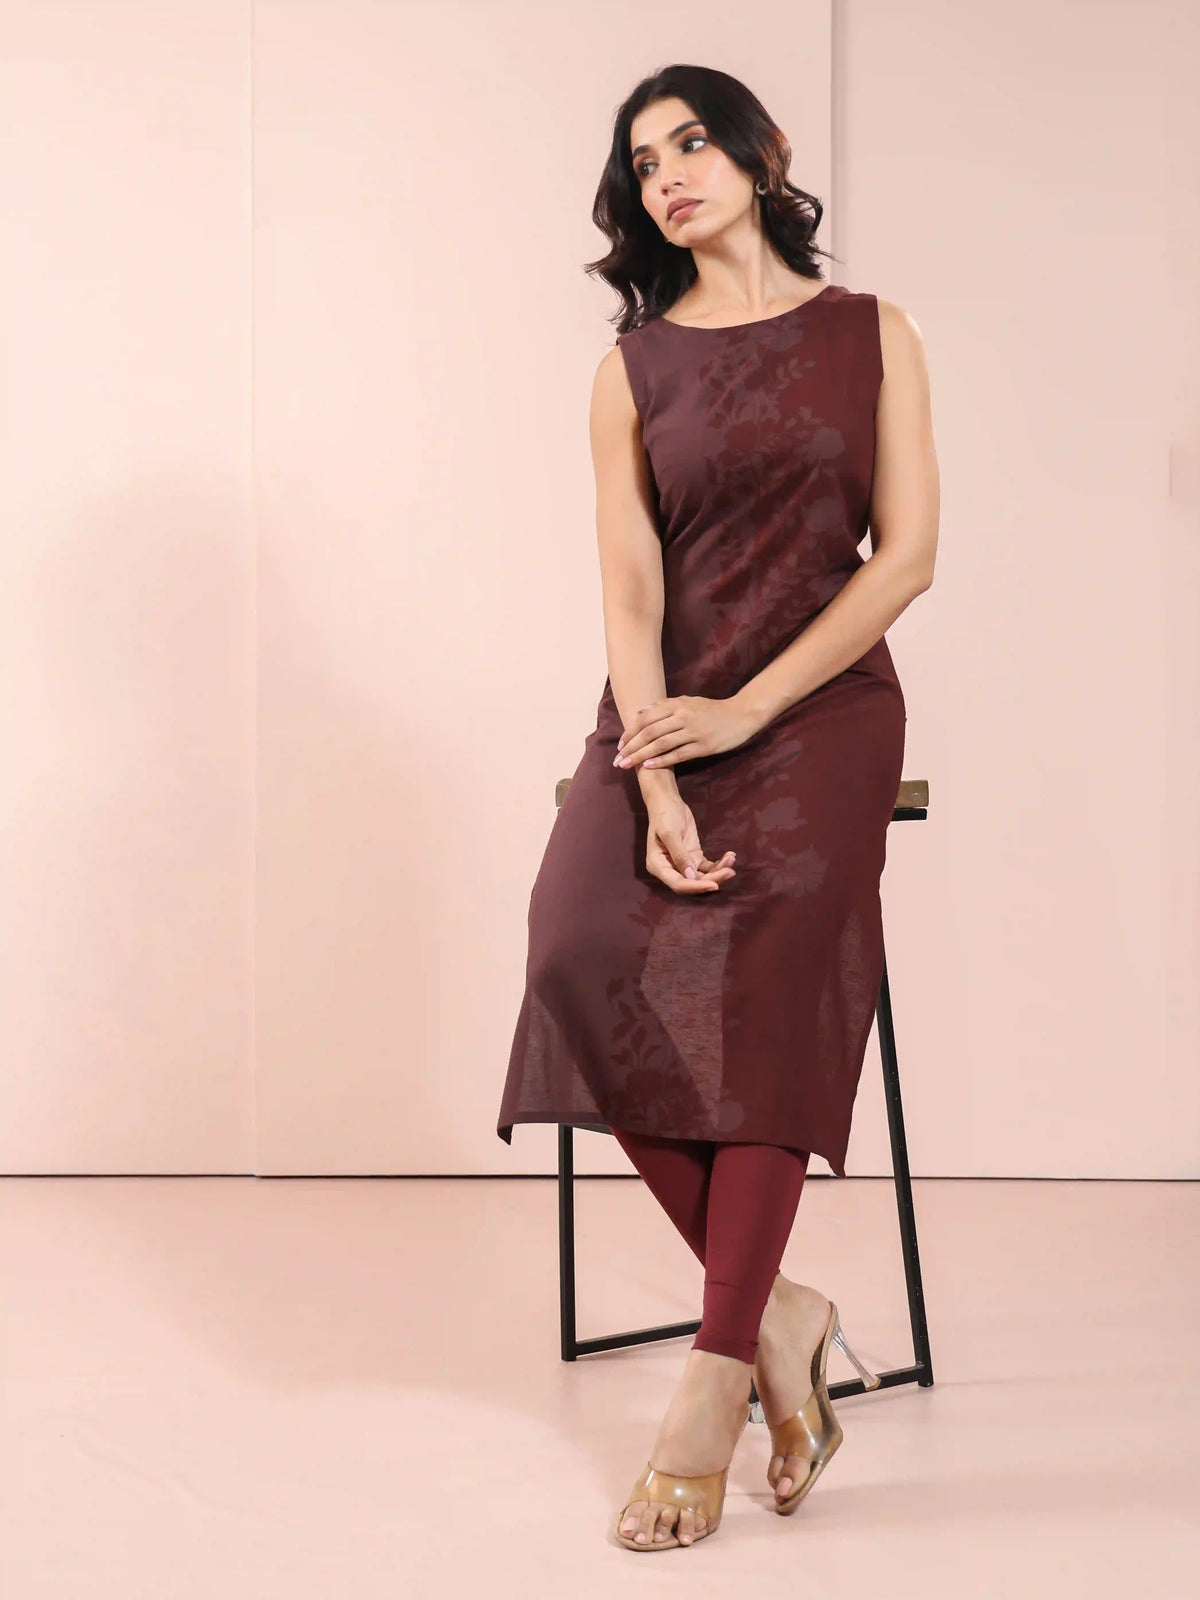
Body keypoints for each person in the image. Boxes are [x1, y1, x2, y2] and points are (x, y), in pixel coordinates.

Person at [496, 62, 939, 1551]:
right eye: (644, 162)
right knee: (574, 948)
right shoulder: (632, 368)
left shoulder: (874, 334)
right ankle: (782, 1315)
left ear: (761, 154)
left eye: (692, 143)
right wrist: (656, 763)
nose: (670, 174)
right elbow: (630, 591)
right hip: (664, 714)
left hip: (821, 713)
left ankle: (711, 1376)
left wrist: (751, 712)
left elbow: (905, 556)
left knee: (761, 993)